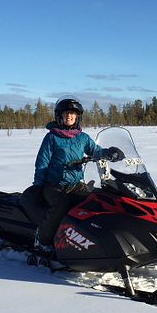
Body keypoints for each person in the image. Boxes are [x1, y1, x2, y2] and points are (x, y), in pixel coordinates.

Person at [32, 96, 122, 254]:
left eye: (72, 114)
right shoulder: (52, 137)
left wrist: (109, 153)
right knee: (60, 205)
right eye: (66, 113)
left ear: (77, 117)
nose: (69, 116)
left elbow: (96, 151)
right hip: (54, 186)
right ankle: (42, 240)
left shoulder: (82, 138)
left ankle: (89, 241)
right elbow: (42, 163)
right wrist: (38, 187)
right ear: (60, 116)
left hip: (76, 184)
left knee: (95, 202)